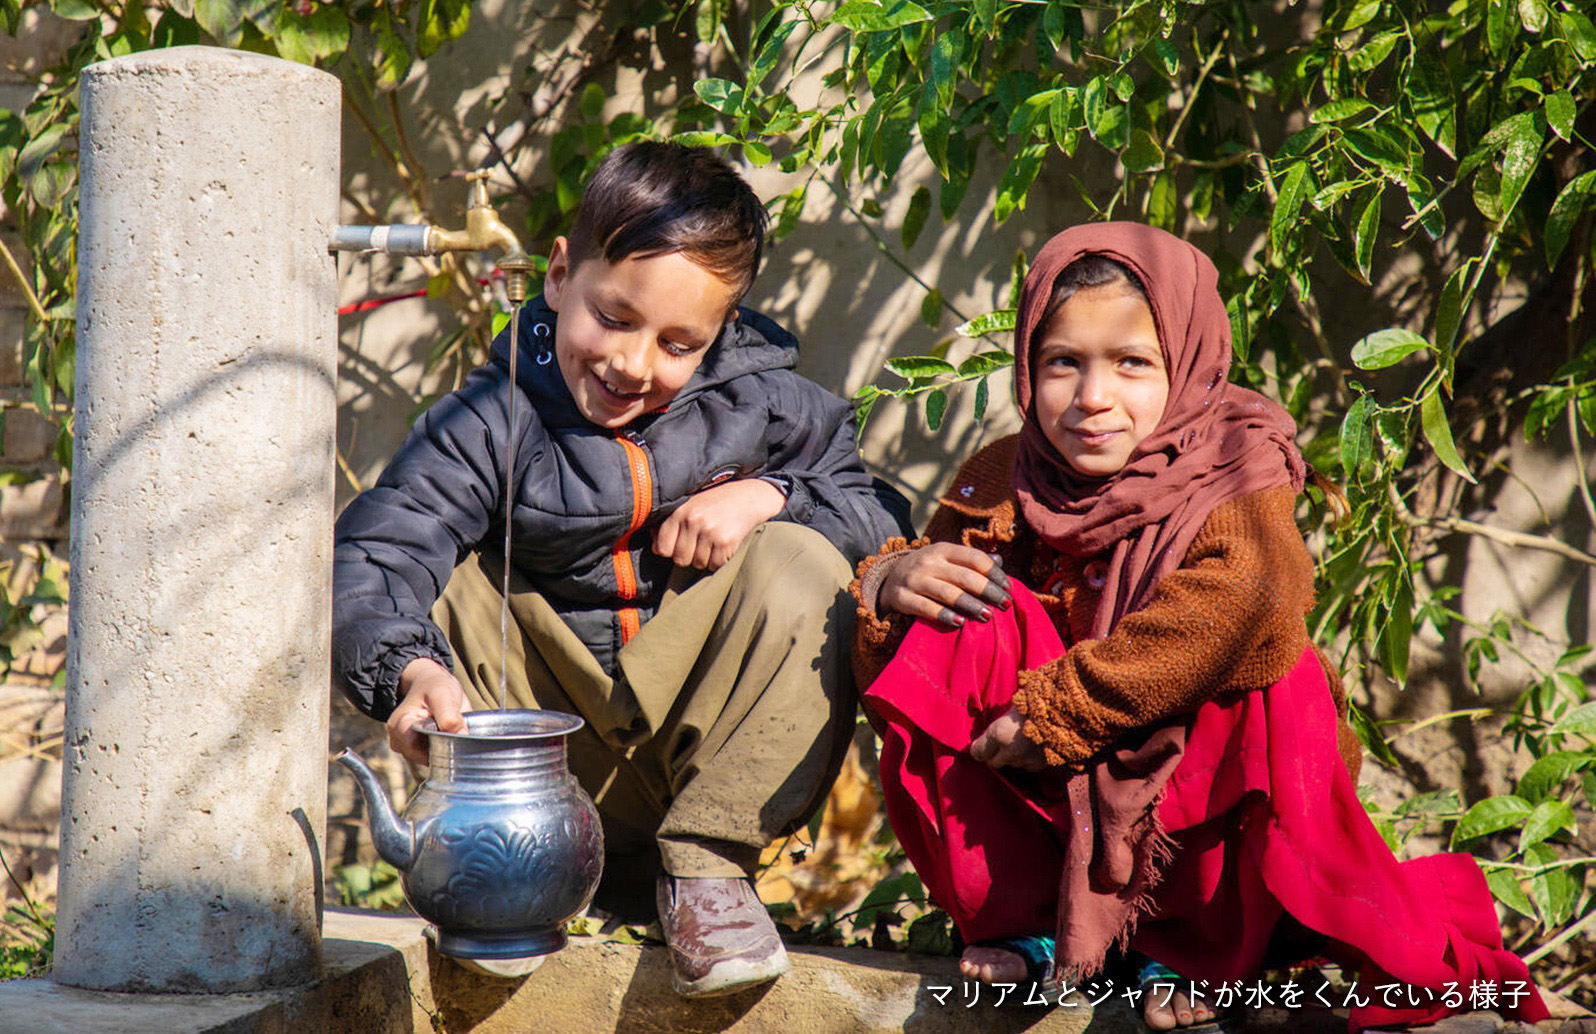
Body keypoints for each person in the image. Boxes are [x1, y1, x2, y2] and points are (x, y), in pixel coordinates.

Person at [849, 222, 1548, 1032]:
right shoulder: (1005, 477)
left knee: (1274, 673)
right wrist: (890, 583)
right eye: (1061, 363)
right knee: (958, 605)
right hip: (1041, 789)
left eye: (1133, 364)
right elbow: (901, 662)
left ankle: (1191, 946)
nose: (1093, 398)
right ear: (1026, 370)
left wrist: (1059, 712)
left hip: (1179, 793)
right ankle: (1032, 925)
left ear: (1188, 360)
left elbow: (1240, 603)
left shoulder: (1239, 467)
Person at [333, 141, 911, 997]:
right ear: (561, 275)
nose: (633, 365)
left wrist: (771, 494)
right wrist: (408, 670)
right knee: (449, 578)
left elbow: (882, 519)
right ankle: (506, 886)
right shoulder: (490, 420)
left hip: (709, 770)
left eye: (680, 343)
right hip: (553, 781)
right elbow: (381, 550)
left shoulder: (770, 409)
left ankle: (708, 872)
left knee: (804, 555)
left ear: (721, 336)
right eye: (613, 318)